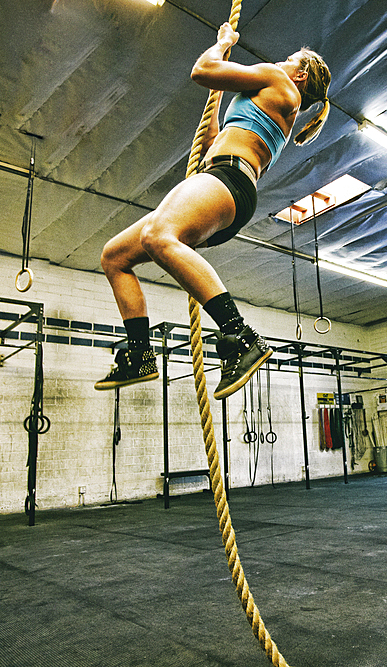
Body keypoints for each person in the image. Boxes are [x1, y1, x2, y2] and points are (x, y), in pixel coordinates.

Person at [94, 22, 331, 400]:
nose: (280, 61)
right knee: (115, 256)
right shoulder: (274, 111)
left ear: (300, 73)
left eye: (290, 60)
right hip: (224, 184)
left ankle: (240, 336)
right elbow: (213, 142)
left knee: (157, 236)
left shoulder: (278, 81)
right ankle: (139, 353)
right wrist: (217, 100)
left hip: (227, 182)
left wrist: (223, 43)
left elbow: (201, 70)